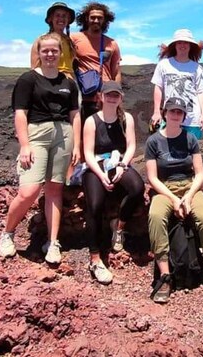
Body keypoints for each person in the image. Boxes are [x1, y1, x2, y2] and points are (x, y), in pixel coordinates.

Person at [0, 34, 82, 265]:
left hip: (64, 134)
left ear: (60, 53)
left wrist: (77, 144)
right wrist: (24, 145)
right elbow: (20, 113)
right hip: (37, 133)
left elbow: (75, 115)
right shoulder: (28, 79)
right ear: (38, 53)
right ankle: (8, 233)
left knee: (55, 189)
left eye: (54, 50)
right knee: (29, 190)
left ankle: (52, 242)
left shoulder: (68, 83)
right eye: (45, 50)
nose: (50, 54)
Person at [145, 97, 203, 303]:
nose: (175, 115)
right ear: (165, 113)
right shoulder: (153, 141)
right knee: (155, 216)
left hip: (189, 186)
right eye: (172, 111)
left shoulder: (190, 139)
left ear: (183, 116)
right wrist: (174, 199)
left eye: (179, 112)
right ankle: (165, 275)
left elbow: (200, 174)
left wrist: (189, 196)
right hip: (165, 189)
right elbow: (152, 177)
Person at [80, 81, 146, 285]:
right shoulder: (92, 121)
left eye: (116, 95)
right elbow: (88, 154)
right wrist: (100, 175)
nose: (112, 98)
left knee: (137, 188)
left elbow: (131, 145)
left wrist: (122, 165)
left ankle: (119, 227)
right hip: (96, 165)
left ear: (121, 98)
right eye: (108, 94)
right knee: (95, 205)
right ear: (101, 96)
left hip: (118, 161)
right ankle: (95, 257)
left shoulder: (126, 119)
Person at [150, 29, 203, 138]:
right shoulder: (164, 65)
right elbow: (158, 87)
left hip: (192, 120)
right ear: (174, 45)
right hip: (169, 116)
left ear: (190, 45)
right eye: (179, 42)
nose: (182, 45)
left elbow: (201, 92)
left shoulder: (197, 68)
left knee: (191, 152)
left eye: (186, 42)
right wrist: (156, 111)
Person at [71, 2, 122, 121]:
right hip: (84, 98)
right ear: (86, 19)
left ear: (105, 20)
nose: (96, 20)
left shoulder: (112, 43)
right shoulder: (74, 39)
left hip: (106, 97)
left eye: (100, 18)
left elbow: (116, 72)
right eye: (92, 17)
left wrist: (118, 95)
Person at [30, 2, 76, 78]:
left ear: (68, 19)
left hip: (70, 83)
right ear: (51, 18)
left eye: (64, 16)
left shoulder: (70, 42)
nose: (61, 19)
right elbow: (35, 67)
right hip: (51, 82)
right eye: (57, 15)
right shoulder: (41, 41)